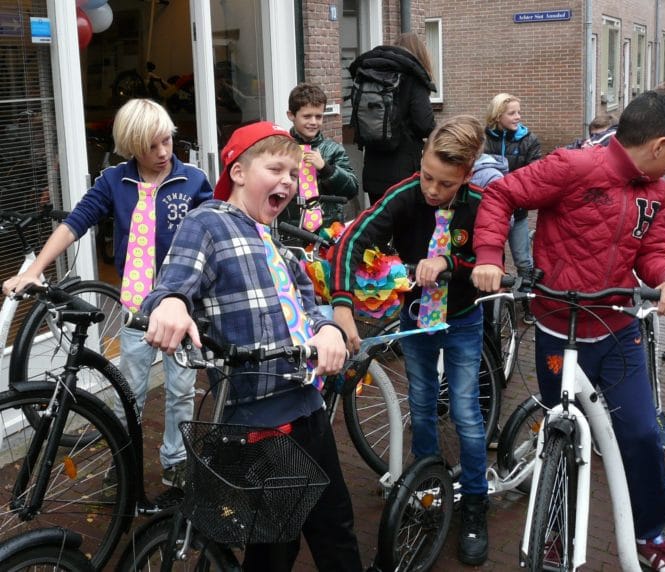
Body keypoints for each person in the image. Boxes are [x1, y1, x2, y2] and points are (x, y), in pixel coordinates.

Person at [471, 91, 665, 572]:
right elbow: (502, 193)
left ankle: (650, 536)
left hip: (616, 330)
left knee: (638, 433)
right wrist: (491, 257)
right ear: (659, 144)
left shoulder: (654, 190)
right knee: (564, 433)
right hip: (558, 329)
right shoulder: (572, 165)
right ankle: (554, 532)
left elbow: (652, 250)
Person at [140, 121, 363, 572]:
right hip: (260, 422)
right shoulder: (208, 222)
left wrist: (327, 331)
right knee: (273, 547)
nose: (287, 180)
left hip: (308, 410)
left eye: (293, 174)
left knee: (335, 528)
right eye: (276, 168)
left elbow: (308, 305)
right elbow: (171, 285)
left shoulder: (275, 243)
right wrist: (170, 306)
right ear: (238, 172)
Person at [2, 98, 212, 487]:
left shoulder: (194, 181)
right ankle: (126, 457)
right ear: (132, 146)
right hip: (137, 308)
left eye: (167, 140)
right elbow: (75, 223)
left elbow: (214, 235)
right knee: (128, 391)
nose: (163, 152)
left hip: (183, 307)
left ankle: (176, 460)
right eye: (151, 146)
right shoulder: (115, 181)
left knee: (181, 390)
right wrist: (33, 270)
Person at [331, 115, 490, 566]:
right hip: (417, 320)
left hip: (461, 319)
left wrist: (449, 263)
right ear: (420, 159)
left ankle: (475, 501)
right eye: (427, 176)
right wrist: (343, 302)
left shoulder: (480, 203)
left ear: (467, 173)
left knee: (465, 412)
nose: (432, 190)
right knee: (420, 403)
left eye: (444, 184)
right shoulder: (404, 196)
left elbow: (487, 256)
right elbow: (352, 240)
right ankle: (427, 489)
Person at [350, 32, 436, 205]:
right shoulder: (413, 77)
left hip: (373, 171)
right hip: (404, 175)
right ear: (420, 54)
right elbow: (425, 124)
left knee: (379, 225)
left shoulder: (369, 75)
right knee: (405, 230)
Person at [483, 93, 541, 324]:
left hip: (516, 212)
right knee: (493, 259)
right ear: (498, 116)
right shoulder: (484, 139)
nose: (518, 116)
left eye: (519, 111)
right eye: (512, 113)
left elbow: (535, 175)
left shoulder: (529, 140)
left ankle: (529, 306)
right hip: (492, 214)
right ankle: (493, 308)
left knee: (523, 260)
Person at [285, 82, 359, 223]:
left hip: (327, 226)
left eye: (318, 116)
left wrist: (326, 169)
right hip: (291, 226)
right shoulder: (282, 148)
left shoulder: (333, 150)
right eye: (307, 116)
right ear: (291, 115)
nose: (313, 122)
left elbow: (352, 189)